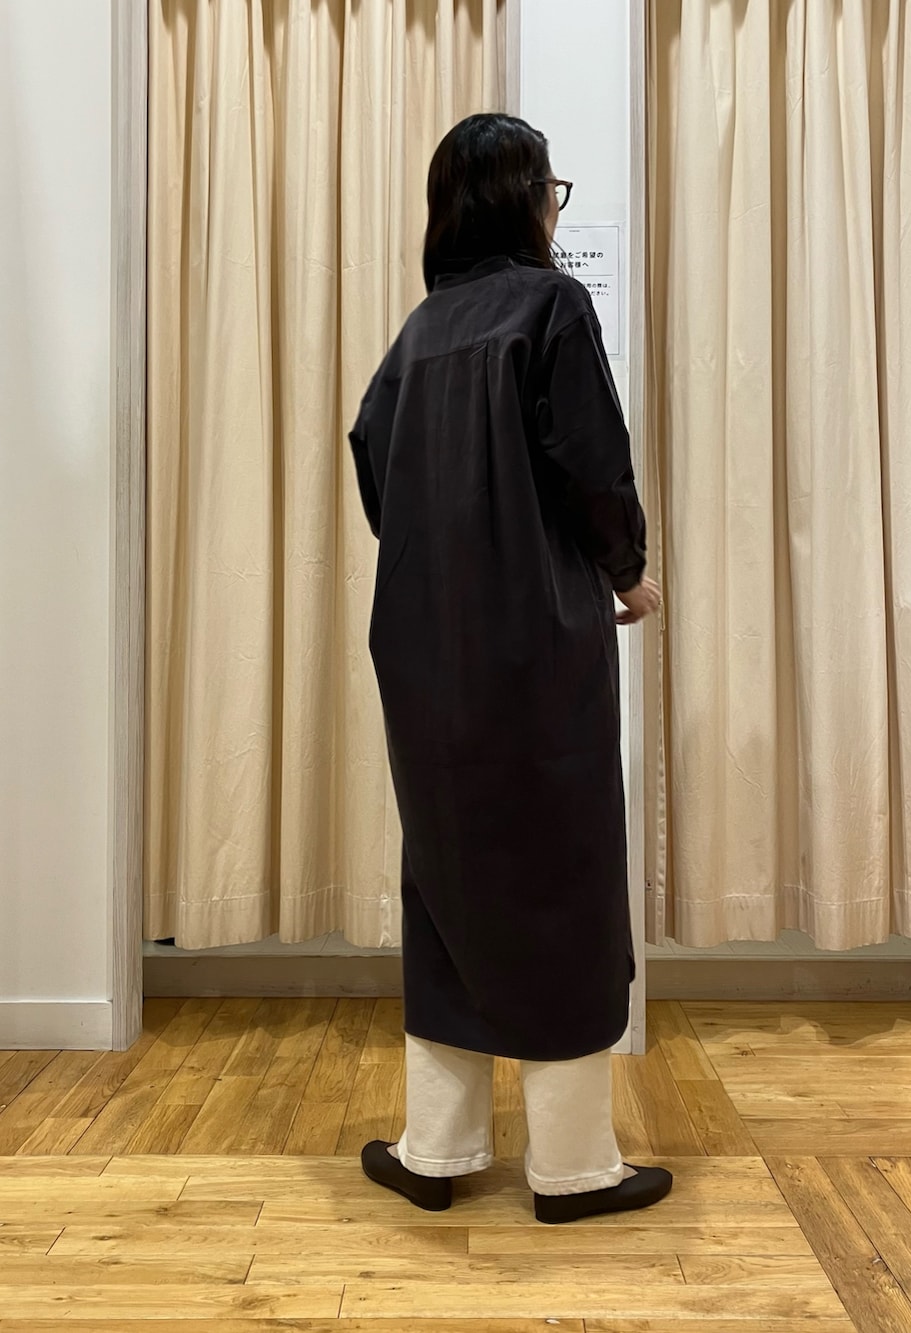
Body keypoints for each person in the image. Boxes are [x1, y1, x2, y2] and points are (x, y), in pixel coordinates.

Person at [349, 113, 669, 1225]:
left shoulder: (421, 330)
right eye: (551, 190)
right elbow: (592, 462)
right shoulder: (551, 306)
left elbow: (376, 473)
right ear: (525, 199)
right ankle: (573, 1168)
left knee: (446, 878)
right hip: (531, 646)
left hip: (420, 648)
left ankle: (435, 1152)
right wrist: (626, 568)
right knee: (558, 877)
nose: (554, 209)